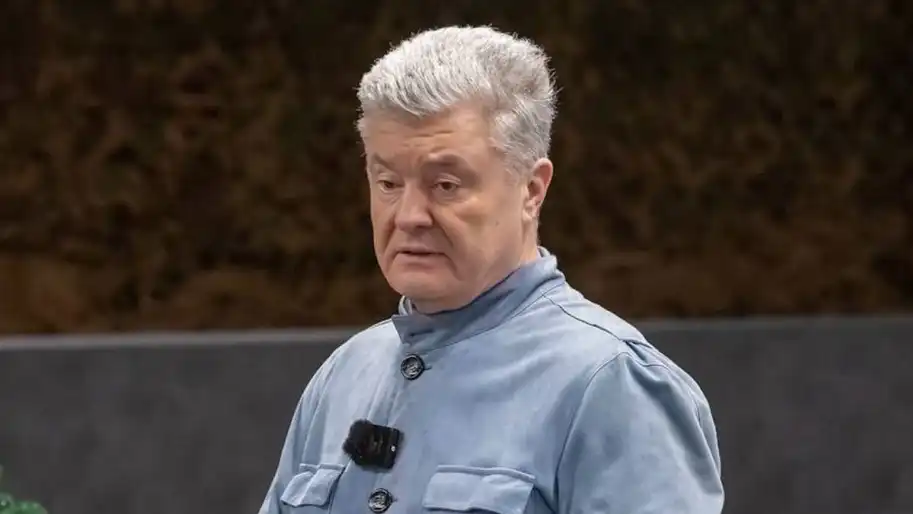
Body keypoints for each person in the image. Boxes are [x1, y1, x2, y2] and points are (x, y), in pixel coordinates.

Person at [258, 25, 724, 514]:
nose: (409, 216)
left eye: (445, 185)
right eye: (388, 182)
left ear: (532, 190)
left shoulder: (611, 385)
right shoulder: (343, 377)